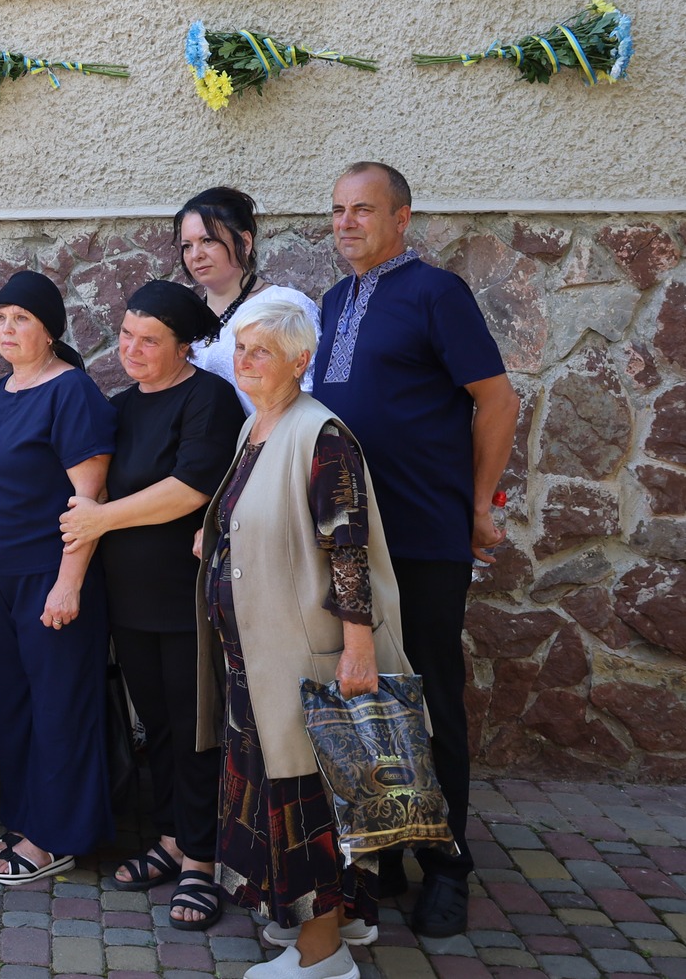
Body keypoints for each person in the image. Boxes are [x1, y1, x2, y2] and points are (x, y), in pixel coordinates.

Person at [311, 163, 517, 937]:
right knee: (368, 694)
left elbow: (498, 399)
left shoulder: (438, 292)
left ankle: (447, 866)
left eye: (363, 209)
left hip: (424, 533)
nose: (346, 221)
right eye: (338, 209)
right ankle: (390, 845)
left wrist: (478, 504)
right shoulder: (334, 302)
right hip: (350, 537)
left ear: (401, 218)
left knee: (430, 699)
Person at [198, 300, 408, 979]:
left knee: (310, 803)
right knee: (290, 796)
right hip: (257, 657)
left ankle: (324, 958)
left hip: (305, 657)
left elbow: (347, 547)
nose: (245, 360)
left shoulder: (322, 433)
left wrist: (358, 647)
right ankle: (334, 923)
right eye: (241, 347)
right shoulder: (257, 424)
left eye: (262, 350)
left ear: (300, 361)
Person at [57, 281, 243, 929]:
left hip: (187, 597)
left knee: (196, 727)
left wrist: (101, 518)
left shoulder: (209, 398)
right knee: (157, 725)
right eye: (126, 335)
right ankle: (170, 837)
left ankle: (203, 859)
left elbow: (189, 488)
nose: (131, 350)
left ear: (184, 345)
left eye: (149, 340)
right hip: (131, 598)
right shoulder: (120, 405)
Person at [0, 270, 116, 885]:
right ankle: (28, 818)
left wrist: (68, 582)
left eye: (20, 318)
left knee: (59, 706)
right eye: (0, 319)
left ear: (49, 330)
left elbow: (90, 499)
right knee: (15, 705)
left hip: (48, 575)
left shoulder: (71, 391)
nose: (7, 329)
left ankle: (57, 837)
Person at [176, 187, 322, 412]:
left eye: (208, 240)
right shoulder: (186, 319)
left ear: (244, 242)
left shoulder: (285, 305)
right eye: (187, 246)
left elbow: (307, 396)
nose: (196, 255)